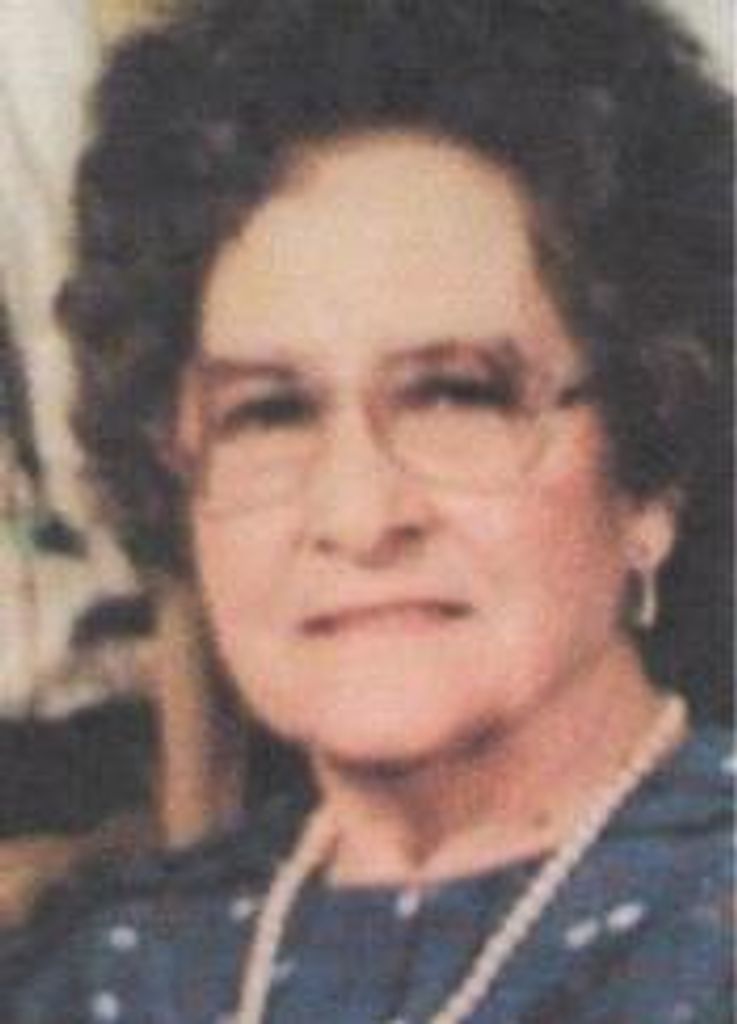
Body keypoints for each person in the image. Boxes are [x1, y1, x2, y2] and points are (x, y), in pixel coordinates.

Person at [8, 0, 732, 1021]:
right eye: (269, 412)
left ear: (649, 468)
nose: (357, 514)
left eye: (456, 396)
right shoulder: (93, 968)